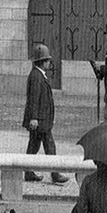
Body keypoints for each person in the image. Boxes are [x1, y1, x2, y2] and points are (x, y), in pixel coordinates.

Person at [22, 44, 65, 183]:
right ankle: (55, 174)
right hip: (40, 120)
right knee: (49, 146)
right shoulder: (36, 76)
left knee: (34, 146)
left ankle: (29, 172)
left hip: (42, 119)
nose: (48, 63)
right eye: (47, 60)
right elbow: (33, 99)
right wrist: (34, 118)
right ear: (42, 61)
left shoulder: (38, 75)